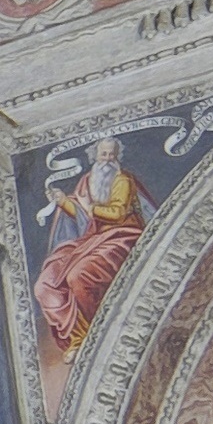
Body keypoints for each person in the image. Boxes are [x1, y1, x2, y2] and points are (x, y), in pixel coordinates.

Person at [31, 141, 147, 354]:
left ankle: (100, 332)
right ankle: (78, 335)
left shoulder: (122, 180)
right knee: (44, 284)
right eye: (103, 155)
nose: (108, 159)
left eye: (112, 155)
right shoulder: (87, 180)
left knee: (78, 276)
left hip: (122, 236)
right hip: (91, 240)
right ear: (94, 157)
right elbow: (82, 218)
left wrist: (91, 208)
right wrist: (63, 201)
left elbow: (118, 214)